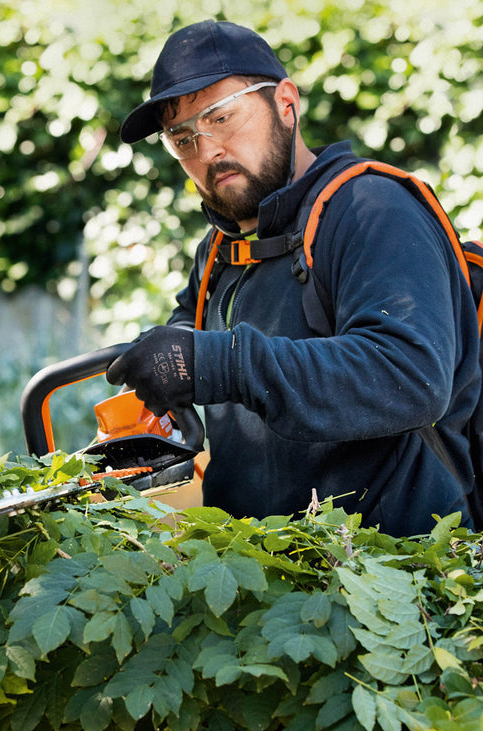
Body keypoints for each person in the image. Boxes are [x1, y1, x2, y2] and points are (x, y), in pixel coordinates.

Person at [105, 19, 481, 537]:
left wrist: (219, 363)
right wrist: (158, 411)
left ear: (285, 103)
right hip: (255, 573)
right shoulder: (217, 254)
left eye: (221, 117)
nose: (207, 150)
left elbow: (410, 374)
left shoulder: (372, 209)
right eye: (181, 136)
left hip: (394, 576)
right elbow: (191, 363)